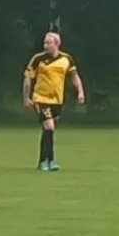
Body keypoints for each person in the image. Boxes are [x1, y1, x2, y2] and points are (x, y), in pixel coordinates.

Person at [23, 31, 84, 171]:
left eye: (48, 43)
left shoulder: (66, 59)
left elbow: (74, 76)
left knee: (48, 130)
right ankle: (50, 160)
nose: (45, 46)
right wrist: (26, 97)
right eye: (44, 43)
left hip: (57, 100)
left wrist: (80, 91)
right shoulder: (38, 59)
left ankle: (43, 161)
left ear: (57, 44)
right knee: (49, 126)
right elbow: (28, 78)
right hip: (41, 98)